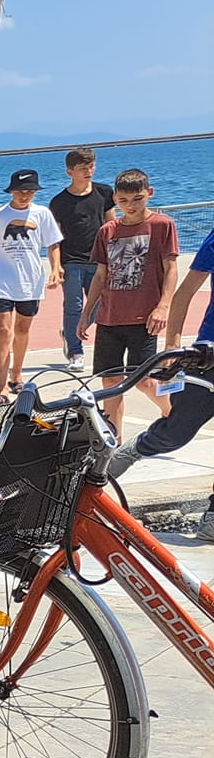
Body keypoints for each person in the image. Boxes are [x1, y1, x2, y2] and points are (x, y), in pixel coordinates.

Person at [107, 229, 214, 539]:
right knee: (177, 429)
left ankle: (212, 516)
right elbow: (185, 293)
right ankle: (132, 451)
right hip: (208, 354)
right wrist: (173, 344)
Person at [77, 168, 179, 429]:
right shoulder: (107, 231)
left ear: (149, 193)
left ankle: (171, 412)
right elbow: (100, 275)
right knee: (110, 382)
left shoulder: (162, 225)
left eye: (137, 199)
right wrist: (86, 314)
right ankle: (114, 438)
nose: (130, 206)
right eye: (123, 200)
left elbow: (171, 268)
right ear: (115, 199)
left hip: (144, 318)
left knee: (143, 380)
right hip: (109, 318)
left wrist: (163, 306)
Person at [0, 168, 63, 407]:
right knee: (3, 330)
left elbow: (53, 244)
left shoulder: (42, 214)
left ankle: (16, 375)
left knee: (22, 329)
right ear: (11, 191)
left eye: (30, 191)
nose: (25, 195)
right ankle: (1, 388)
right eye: (20, 190)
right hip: (2, 281)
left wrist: (56, 268)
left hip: (31, 281)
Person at [48, 147, 112, 370]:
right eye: (83, 168)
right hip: (71, 261)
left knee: (101, 305)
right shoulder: (59, 202)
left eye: (91, 167)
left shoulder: (104, 193)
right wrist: (56, 267)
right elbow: (54, 239)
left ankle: (70, 332)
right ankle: (75, 351)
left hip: (99, 261)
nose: (88, 171)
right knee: (73, 307)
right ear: (70, 172)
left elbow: (111, 226)